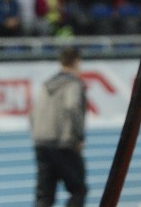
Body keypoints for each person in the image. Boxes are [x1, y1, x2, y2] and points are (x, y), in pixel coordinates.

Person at [30, 46, 87, 207]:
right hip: (64, 143)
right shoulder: (73, 84)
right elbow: (72, 107)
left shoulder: (46, 84)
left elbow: (33, 113)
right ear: (76, 62)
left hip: (42, 142)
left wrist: (37, 135)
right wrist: (79, 136)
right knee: (78, 190)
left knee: (44, 196)